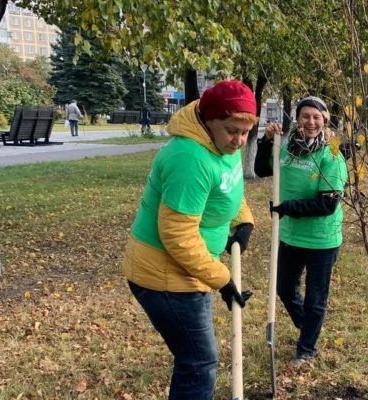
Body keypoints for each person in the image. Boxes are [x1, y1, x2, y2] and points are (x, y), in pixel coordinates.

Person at [123, 80, 257, 399]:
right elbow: (178, 235)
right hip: (164, 277)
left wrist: (243, 221)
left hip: (187, 272)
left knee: (195, 358)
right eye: (231, 130)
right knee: (198, 360)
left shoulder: (219, 145)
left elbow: (229, 186)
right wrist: (223, 280)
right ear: (209, 121)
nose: (238, 140)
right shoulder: (190, 159)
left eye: (245, 132)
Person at [254, 96, 348, 368]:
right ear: (297, 119)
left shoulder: (332, 154)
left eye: (316, 117)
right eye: (305, 116)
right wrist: (265, 142)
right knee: (284, 288)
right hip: (290, 236)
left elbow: (327, 204)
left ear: (325, 120)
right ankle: (309, 326)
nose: (311, 121)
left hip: (322, 239)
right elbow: (261, 170)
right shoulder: (286, 149)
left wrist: (286, 208)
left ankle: (306, 349)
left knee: (316, 297)